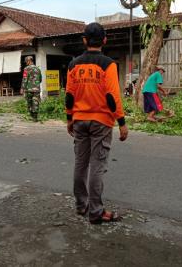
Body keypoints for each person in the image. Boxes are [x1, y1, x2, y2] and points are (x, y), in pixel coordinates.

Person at [66, 22, 128, 225]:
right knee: (97, 166)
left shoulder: (74, 65)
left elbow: (69, 95)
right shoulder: (108, 64)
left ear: (84, 41)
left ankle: (81, 206)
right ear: (104, 40)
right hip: (101, 122)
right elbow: (112, 96)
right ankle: (96, 212)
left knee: (81, 164)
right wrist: (122, 122)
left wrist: (69, 118)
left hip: (79, 120)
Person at [20, 56, 42, 121]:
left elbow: (24, 79)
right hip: (37, 89)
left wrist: (22, 88)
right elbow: (40, 79)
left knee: (29, 102)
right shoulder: (38, 69)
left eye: (26, 61)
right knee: (36, 102)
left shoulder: (26, 69)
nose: (26, 63)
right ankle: (35, 117)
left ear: (29, 61)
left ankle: (31, 115)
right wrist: (36, 83)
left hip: (28, 89)